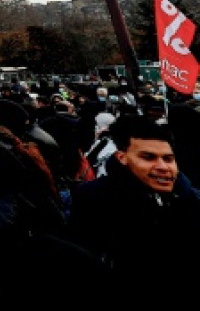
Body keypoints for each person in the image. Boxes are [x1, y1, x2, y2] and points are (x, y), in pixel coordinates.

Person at [69, 115, 200, 290]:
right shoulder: (94, 198)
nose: (162, 167)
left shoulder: (191, 199)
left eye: (168, 159)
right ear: (121, 157)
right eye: (148, 157)